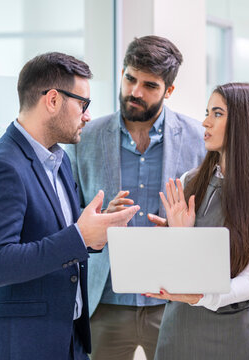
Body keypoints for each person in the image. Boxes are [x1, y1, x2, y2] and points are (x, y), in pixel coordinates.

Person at [0, 52, 140, 360]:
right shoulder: (2, 166)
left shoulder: (58, 161)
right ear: (53, 100)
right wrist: (80, 237)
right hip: (20, 345)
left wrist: (96, 227)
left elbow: (58, 235)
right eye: (83, 104)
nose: (87, 115)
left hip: (66, 339)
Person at [64, 35, 205, 360]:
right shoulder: (84, 138)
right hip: (105, 303)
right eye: (130, 78)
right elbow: (64, 214)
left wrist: (185, 228)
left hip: (173, 302)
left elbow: (215, 214)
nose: (135, 92)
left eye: (150, 85)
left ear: (168, 91)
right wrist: (96, 220)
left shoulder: (198, 139)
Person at [145, 82, 249, 360]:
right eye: (207, 113)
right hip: (181, 325)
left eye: (217, 114)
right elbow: (187, 265)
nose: (205, 122)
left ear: (245, 123)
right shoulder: (191, 181)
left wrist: (200, 296)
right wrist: (175, 238)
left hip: (235, 332)